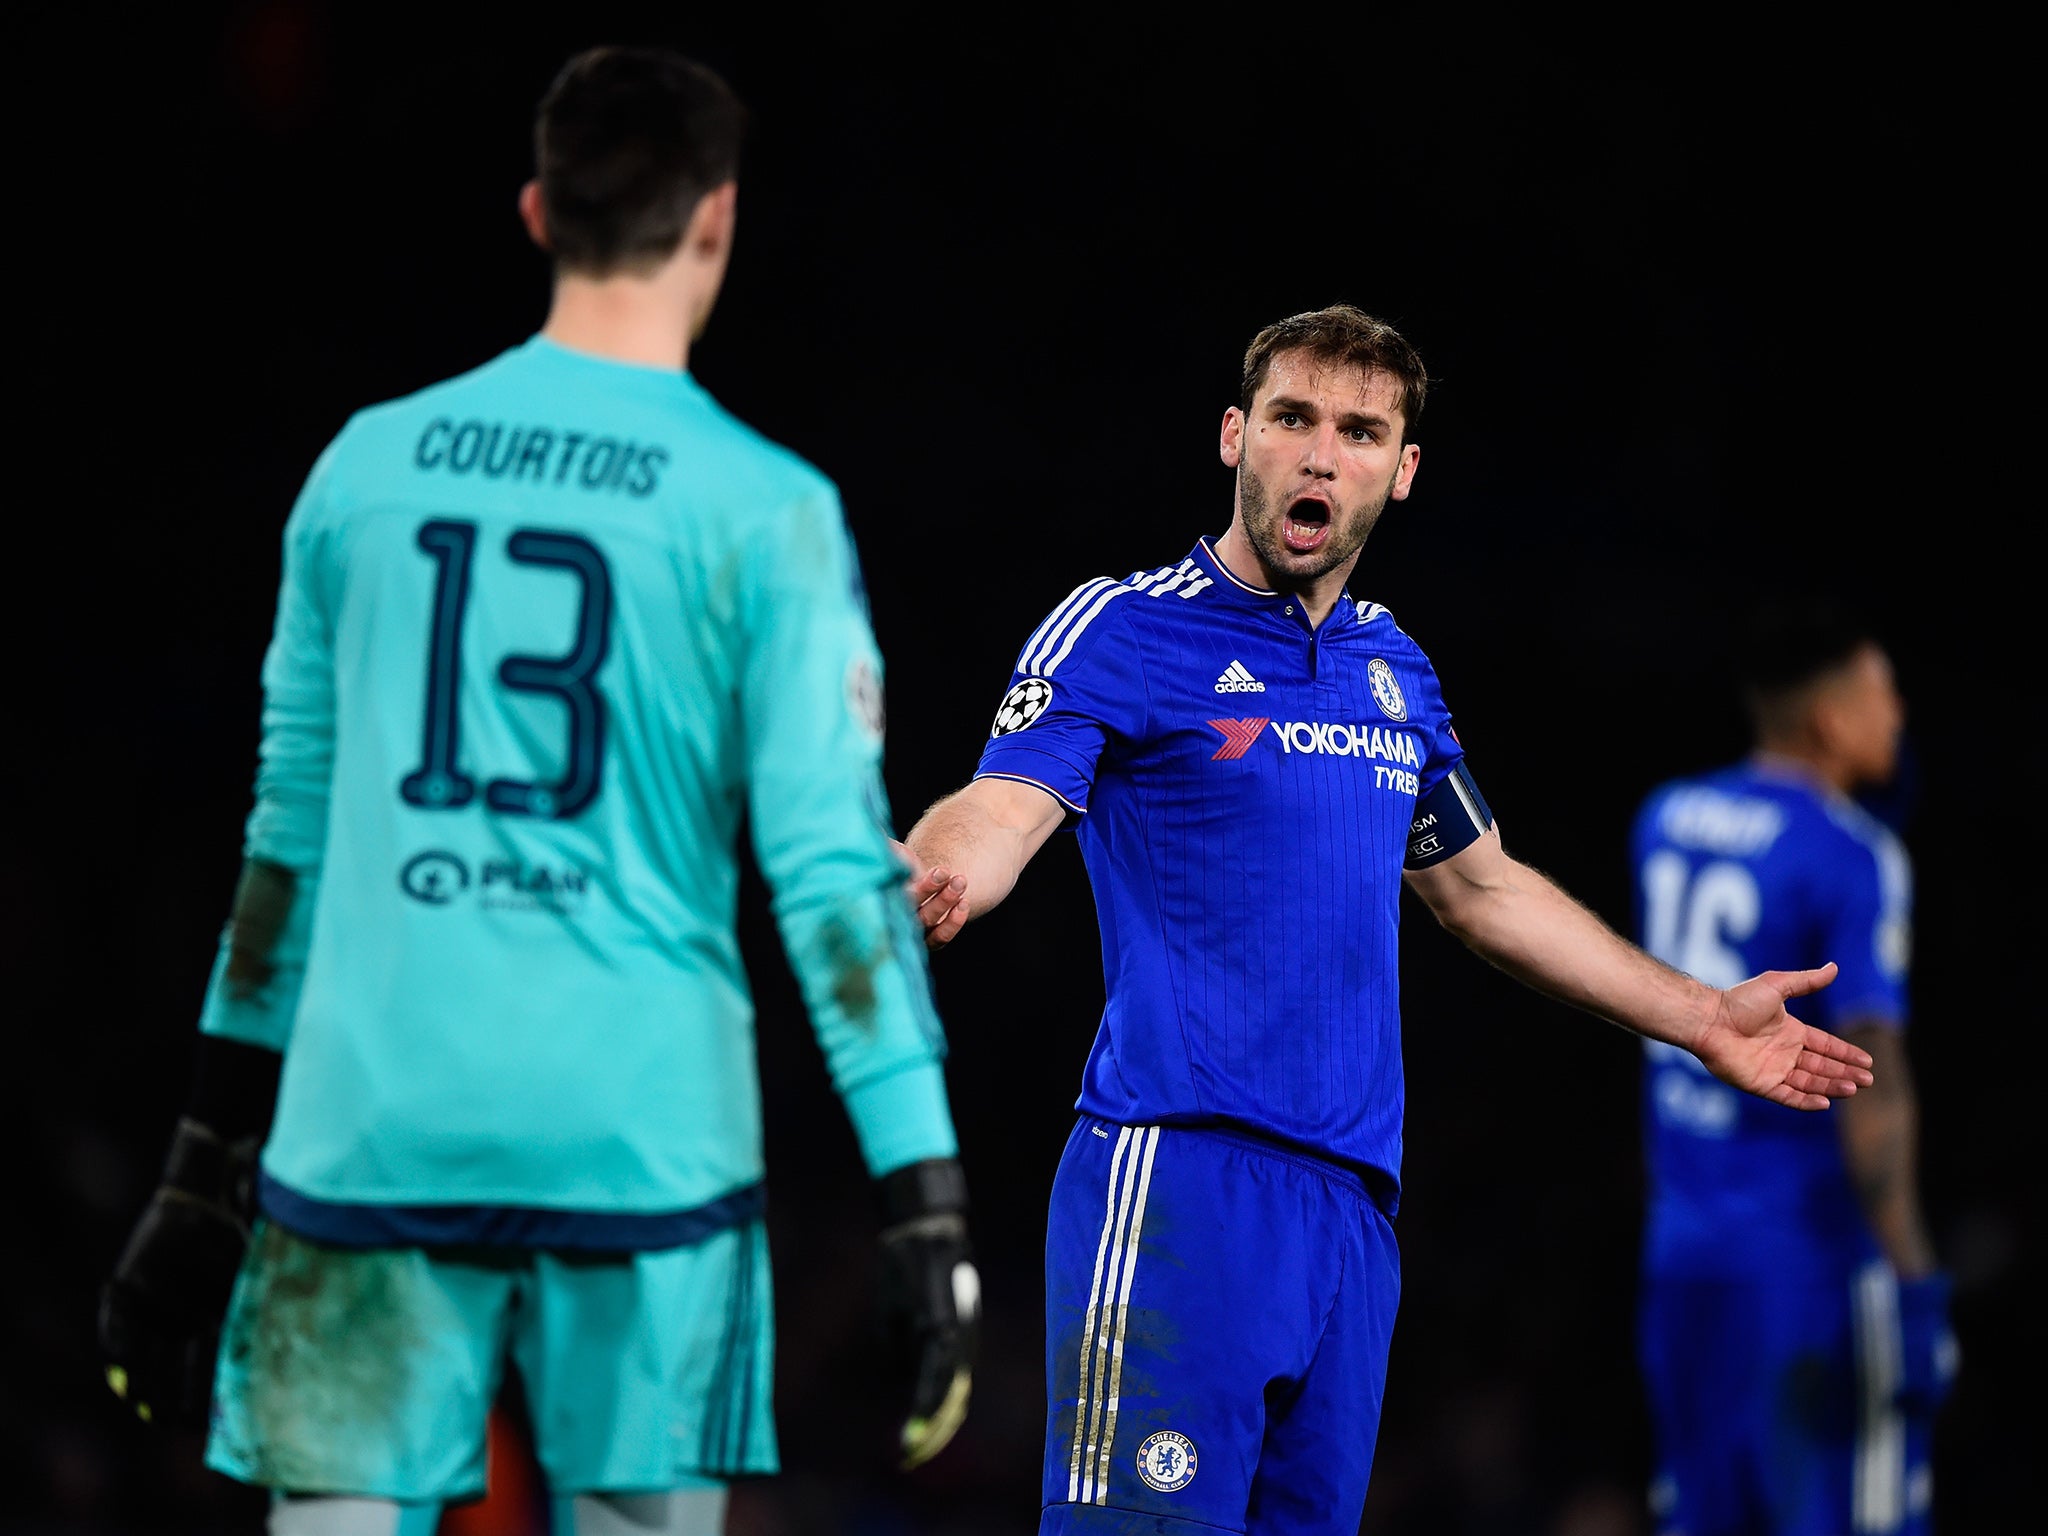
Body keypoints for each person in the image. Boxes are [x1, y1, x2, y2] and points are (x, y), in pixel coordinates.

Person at [98, 45, 979, 1536]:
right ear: (717, 218)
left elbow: (283, 858)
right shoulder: (768, 509)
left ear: (534, 213)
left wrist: (199, 1167)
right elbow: (833, 881)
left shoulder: (361, 472)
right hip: (644, 1145)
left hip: (365, 1132)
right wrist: (924, 1194)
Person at [896, 304, 1875, 1536]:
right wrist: (934, 870)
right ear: (1232, 436)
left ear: (1401, 472)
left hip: (1351, 1223)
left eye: (1359, 431)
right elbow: (1003, 805)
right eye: (1293, 419)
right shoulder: (1126, 626)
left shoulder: (1391, 668)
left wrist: (1700, 1018)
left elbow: (1481, 889)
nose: (1320, 455)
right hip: (1177, 1183)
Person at [1630, 604, 1956, 1535]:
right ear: (1830, 720)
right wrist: (1915, 1276)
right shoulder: (1853, 854)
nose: (1897, 714)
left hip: (1683, 1257)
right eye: (1883, 693)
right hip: (1809, 1270)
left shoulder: (1667, 816)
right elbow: (1874, 1084)